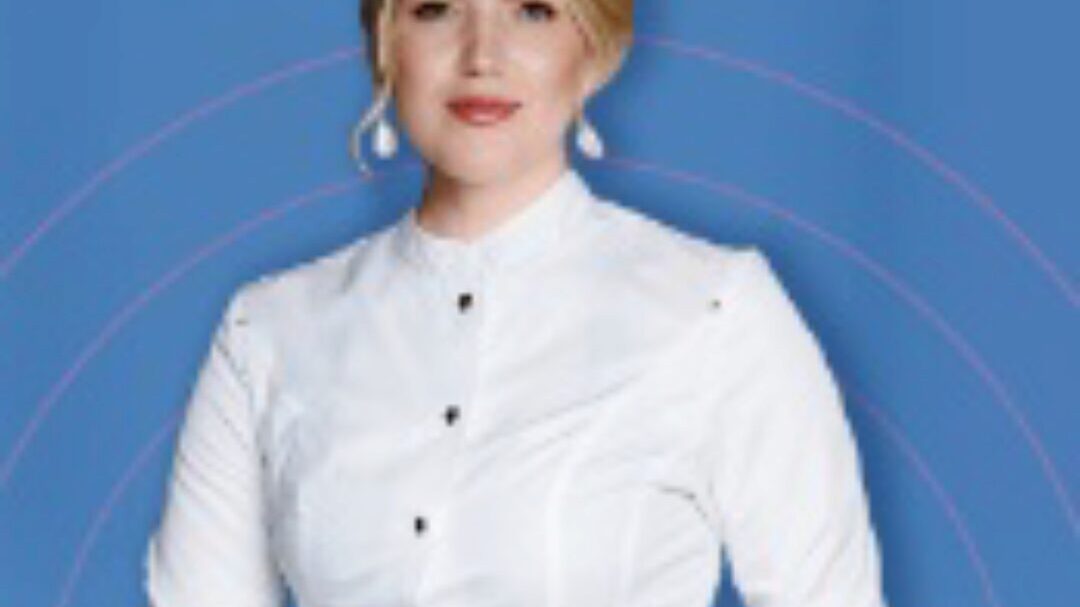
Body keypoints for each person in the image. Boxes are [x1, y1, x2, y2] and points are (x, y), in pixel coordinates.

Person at [143, 0, 889, 605]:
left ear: (591, 49)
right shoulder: (268, 331)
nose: (483, 55)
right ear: (384, 42)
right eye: (435, 9)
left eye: (533, 10)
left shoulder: (715, 311)